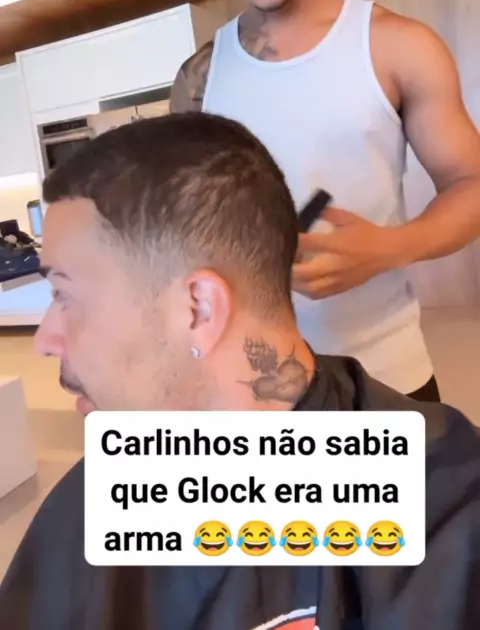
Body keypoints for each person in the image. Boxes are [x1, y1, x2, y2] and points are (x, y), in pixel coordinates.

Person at [0, 113, 479, 630]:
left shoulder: (448, 512)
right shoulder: (88, 505)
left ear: (199, 310)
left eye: (64, 295)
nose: (46, 338)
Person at [171, 0, 480, 401]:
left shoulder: (398, 46)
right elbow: (180, 230)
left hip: (388, 380)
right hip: (255, 394)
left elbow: (472, 183)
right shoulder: (197, 80)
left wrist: (387, 247)